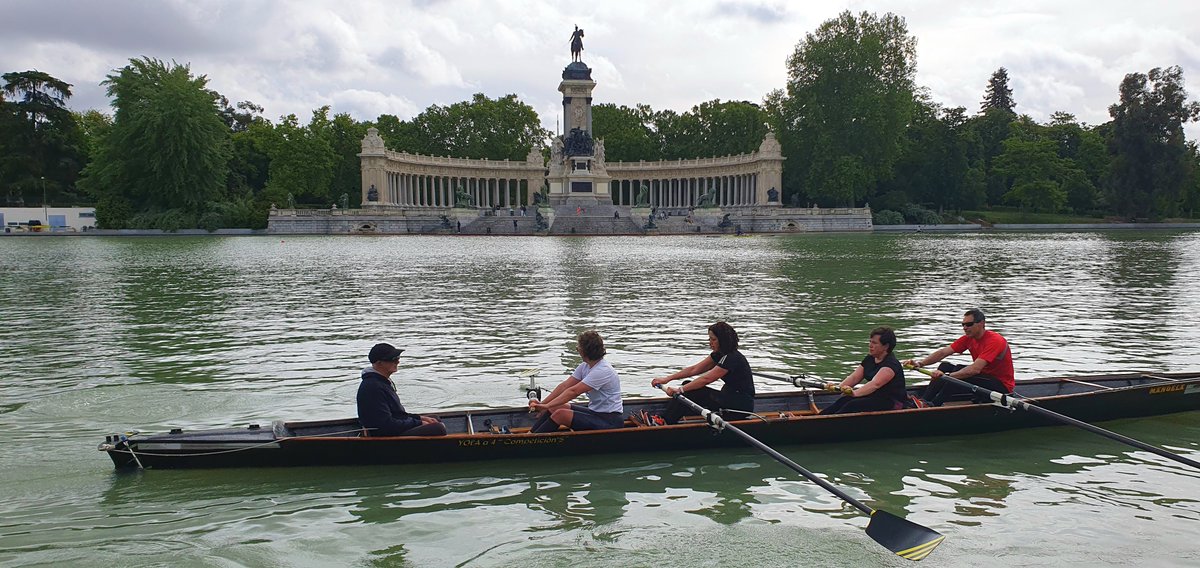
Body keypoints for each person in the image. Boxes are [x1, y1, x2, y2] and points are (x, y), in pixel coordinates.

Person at [904, 308, 1014, 407]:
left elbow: (975, 369)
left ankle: (934, 404)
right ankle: (924, 401)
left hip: (1001, 387)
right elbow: (943, 353)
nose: (965, 328)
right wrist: (920, 364)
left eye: (969, 324)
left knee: (959, 374)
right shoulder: (968, 338)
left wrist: (947, 376)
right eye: (963, 325)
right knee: (945, 365)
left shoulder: (995, 341)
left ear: (981, 323)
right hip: (983, 379)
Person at [650, 322, 755, 424]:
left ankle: (665, 421)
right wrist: (667, 379)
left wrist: (679, 390)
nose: (710, 342)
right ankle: (671, 417)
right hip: (728, 396)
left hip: (740, 405)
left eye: (713, 339)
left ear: (723, 341)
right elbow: (694, 369)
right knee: (687, 384)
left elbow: (706, 379)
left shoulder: (732, 358)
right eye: (709, 339)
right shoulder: (718, 355)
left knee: (694, 390)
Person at [528, 330, 624, 433]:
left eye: (578, 347)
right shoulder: (585, 366)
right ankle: (530, 435)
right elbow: (564, 386)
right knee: (555, 407)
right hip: (595, 413)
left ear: (584, 351)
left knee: (561, 414)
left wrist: (546, 406)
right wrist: (543, 405)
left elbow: (574, 391)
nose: (577, 349)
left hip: (610, 421)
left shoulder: (602, 370)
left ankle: (530, 443)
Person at [357, 343, 447, 436]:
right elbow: (385, 424)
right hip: (385, 435)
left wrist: (420, 418)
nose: (397, 362)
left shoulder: (382, 382)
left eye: (398, 359)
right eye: (393, 359)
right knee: (437, 428)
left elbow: (398, 414)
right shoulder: (373, 387)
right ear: (379, 363)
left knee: (434, 419)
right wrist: (419, 423)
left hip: (393, 427)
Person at [819, 327, 907, 415]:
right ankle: (819, 418)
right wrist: (839, 387)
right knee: (844, 399)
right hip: (874, 397)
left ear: (886, 346)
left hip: (891, 402)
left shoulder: (891, 364)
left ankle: (828, 424)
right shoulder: (870, 359)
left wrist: (854, 393)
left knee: (853, 404)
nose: (870, 345)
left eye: (874, 343)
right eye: (870, 341)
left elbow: (875, 384)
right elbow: (854, 378)